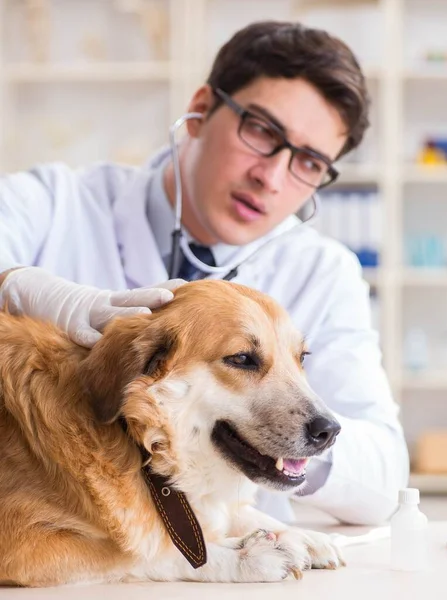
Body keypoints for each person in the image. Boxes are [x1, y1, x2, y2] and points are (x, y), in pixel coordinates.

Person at [0, 21, 409, 525]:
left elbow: (387, 480)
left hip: (234, 561)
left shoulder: (323, 272)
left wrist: (292, 439)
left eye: (308, 161)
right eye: (261, 131)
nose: (272, 176)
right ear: (199, 111)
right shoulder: (59, 203)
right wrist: (29, 288)